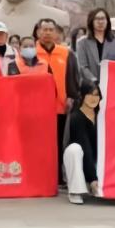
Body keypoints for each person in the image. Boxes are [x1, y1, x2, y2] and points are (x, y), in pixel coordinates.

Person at [36, 18, 81, 187]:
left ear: (56, 33)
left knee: (59, 141)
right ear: (38, 32)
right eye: (44, 29)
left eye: (50, 29)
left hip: (60, 106)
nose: (47, 33)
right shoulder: (32, 53)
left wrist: (71, 96)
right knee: (41, 142)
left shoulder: (65, 53)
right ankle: (41, 175)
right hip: (38, 108)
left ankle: (58, 176)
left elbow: (73, 76)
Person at [64, 81, 101, 204]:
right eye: (90, 94)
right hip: (80, 160)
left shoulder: (101, 115)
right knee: (74, 149)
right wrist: (93, 178)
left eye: (96, 95)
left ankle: (95, 185)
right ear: (83, 95)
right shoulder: (76, 117)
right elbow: (85, 146)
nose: (93, 98)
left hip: (96, 160)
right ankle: (75, 191)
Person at [76, 8, 115, 83]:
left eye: (103, 18)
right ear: (91, 21)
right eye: (97, 19)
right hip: (90, 85)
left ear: (107, 21)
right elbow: (83, 67)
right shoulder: (82, 43)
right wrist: (94, 81)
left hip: (111, 84)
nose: (100, 22)